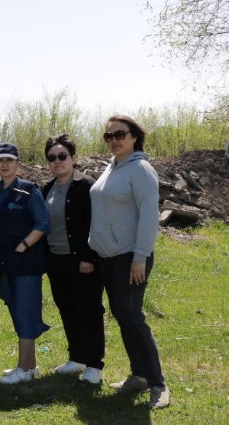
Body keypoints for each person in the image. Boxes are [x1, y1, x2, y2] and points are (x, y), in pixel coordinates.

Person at [89, 115, 171, 409]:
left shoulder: (141, 170)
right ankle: (139, 376)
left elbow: (149, 217)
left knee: (132, 316)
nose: (113, 140)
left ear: (134, 136)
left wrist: (140, 257)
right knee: (123, 315)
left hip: (130, 257)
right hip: (108, 258)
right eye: (108, 135)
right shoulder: (111, 168)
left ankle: (158, 384)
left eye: (119, 134)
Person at [41, 133, 105, 385]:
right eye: (52, 158)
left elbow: (95, 223)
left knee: (88, 310)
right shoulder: (47, 189)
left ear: (73, 158)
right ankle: (77, 357)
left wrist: (88, 257)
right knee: (67, 307)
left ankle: (94, 364)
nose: (57, 161)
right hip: (56, 260)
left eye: (62, 156)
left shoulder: (86, 185)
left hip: (82, 261)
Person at [0, 142, 50, 385]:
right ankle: (31, 366)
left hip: (26, 263)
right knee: (17, 311)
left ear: (17, 163)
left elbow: (43, 224)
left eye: (9, 160)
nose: (4, 164)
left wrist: (23, 245)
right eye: (0, 160)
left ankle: (23, 369)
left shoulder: (28, 190)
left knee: (25, 313)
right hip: (6, 264)